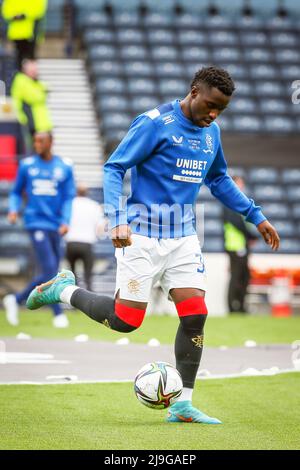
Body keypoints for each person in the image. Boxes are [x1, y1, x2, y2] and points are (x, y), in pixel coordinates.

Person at [25, 66, 280, 423]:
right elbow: (115, 168)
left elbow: (219, 178)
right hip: (141, 236)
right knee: (126, 321)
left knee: (196, 315)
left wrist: (255, 214)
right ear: (194, 91)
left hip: (183, 240)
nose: (213, 114)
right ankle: (64, 290)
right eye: (209, 105)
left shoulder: (211, 133)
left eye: (220, 109)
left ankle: (183, 404)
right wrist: (117, 218)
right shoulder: (154, 123)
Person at [3, 131, 76, 328]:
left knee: (52, 270)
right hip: (36, 223)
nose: (37, 145)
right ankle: (58, 313)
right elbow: (16, 192)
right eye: (35, 141)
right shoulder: (27, 165)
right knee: (51, 269)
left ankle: (16, 299)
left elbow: (69, 197)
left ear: (51, 142)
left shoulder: (64, 167)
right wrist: (13, 209)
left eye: (41, 141)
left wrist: (66, 221)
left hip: (56, 225)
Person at [223, 176, 258, 313]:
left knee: (244, 277)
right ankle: (233, 308)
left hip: (242, 246)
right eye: (239, 184)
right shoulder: (229, 201)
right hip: (235, 246)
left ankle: (241, 306)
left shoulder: (238, 201)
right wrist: (250, 236)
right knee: (236, 277)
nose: (242, 186)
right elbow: (236, 223)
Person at [65, 183, 104, 291]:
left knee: (72, 276)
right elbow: (100, 228)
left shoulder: (69, 204)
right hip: (87, 243)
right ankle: (89, 301)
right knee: (88, 276)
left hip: (71, 242)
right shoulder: (94, 205)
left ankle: (72, 300)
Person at [11, 59, 52, 149]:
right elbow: (34, 97)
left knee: (43, 151)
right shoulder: (21, 80)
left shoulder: (35, 82)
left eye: (36, 69)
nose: (35, 72)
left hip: (42, 124)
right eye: (32, 69)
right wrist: (21, 117)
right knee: (33, 150)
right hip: (30, 123)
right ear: (26, 70)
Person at [1, 0, 48, 69]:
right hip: (17, 32)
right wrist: (16, 16)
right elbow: (5, 10)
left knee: (29, 57)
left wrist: (24, 15)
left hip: (30, 31)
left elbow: (39, 10)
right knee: (19, 57)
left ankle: (28, 75)